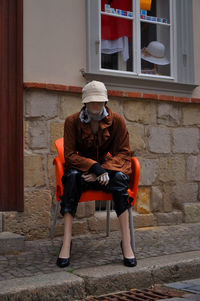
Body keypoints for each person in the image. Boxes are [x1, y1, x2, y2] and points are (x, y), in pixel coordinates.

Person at [56, 80, 136, 268]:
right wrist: (93, 168)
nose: (96, 105)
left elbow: (124, 153)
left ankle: (126, 243)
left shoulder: (117, 121)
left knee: (119, 179)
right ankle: (66, 242)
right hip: (82, 175)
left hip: (106, 175)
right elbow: (69, 156)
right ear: (85, 102)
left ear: (105, 102)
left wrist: (103, 170)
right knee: (73, 177)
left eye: (100, 101)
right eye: (92, 101)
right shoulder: (71, 121)